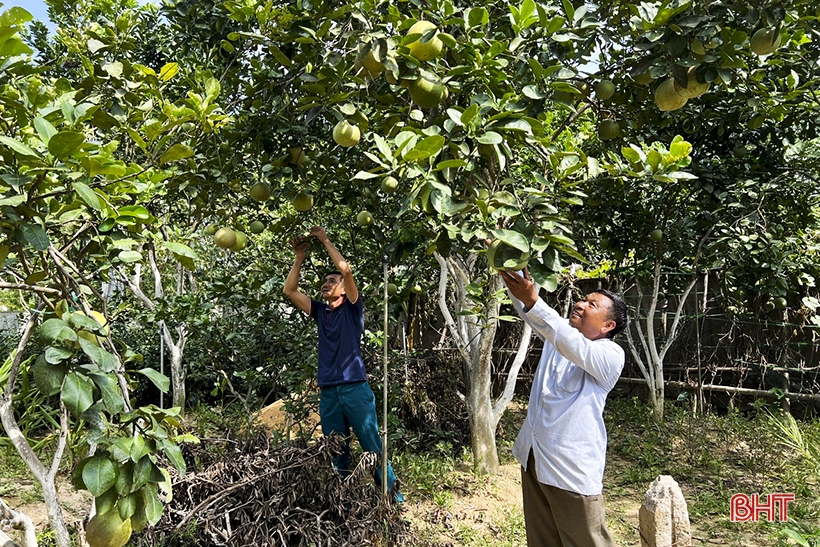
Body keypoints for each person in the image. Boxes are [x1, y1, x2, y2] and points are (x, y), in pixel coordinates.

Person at [499, 268, 627, 547]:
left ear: (608, 326)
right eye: (583, 299)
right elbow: (530, 311)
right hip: (534, 458)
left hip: (570, 471)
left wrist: (533, 300)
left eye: (592, 304)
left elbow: (563, 336)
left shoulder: (610, 355)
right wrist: (509, 267)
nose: (580, 304)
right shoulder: (557, 337)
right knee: (543, 541)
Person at [283, 225, 402, 501]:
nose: (327, 284)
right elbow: (289, 291)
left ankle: (392, 499)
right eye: (324, 282)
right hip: (329, 390)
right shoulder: (320, 311)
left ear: (342, 289)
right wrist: (299, 257)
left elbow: (346, 270)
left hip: (354, 388)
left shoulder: (352, 308)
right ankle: (344, 501)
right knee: (336, 448)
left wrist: (325, 239)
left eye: (331, 281)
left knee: (372, 444)